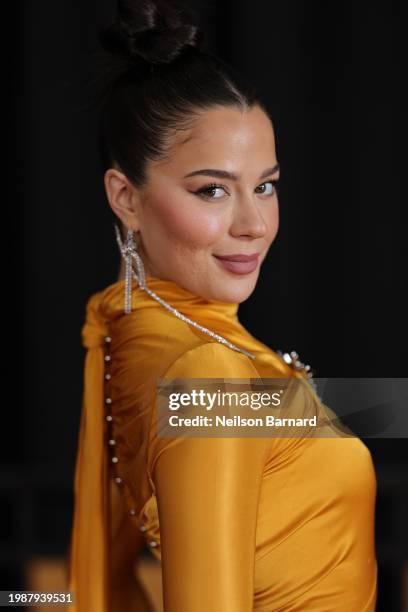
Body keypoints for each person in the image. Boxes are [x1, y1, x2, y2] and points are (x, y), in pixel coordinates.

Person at [67, 1, 378, 610]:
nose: (254, 224)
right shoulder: (206, 372)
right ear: (125, 197)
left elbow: (103, 579)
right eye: (212, 189)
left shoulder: (135, 332)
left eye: (265, 186)